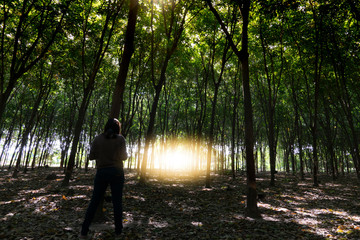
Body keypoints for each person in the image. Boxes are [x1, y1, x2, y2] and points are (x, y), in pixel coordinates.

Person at [80, 118, 128, 238]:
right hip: (117, 172)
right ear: (118, 128)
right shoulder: (120, 139)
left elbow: (91, 156)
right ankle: (118, 231)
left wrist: (102, 153)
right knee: (117, 202)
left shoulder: (98, 138)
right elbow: (124, 157)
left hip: (102, 172)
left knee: (94, 202)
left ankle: (84, 231)